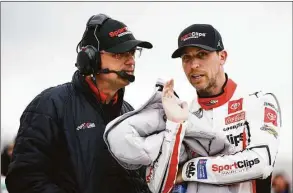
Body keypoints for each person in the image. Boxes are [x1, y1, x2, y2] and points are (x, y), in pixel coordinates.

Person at [104, 24, 282, 193]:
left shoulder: (258, 102)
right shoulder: (183, 114)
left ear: (222, 57)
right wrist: (174, 126)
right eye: (186, 58)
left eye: (202, 54)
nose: (193, 65)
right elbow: (157, 185)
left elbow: (261, 162)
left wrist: (190, 169)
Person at [5, 13, 153, 193]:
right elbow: (24, 179)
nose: (131, 61)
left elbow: (140, 181)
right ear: (89, 59)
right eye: (120, 54)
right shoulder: (50, 105)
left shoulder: (129, 114)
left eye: (132, 53)